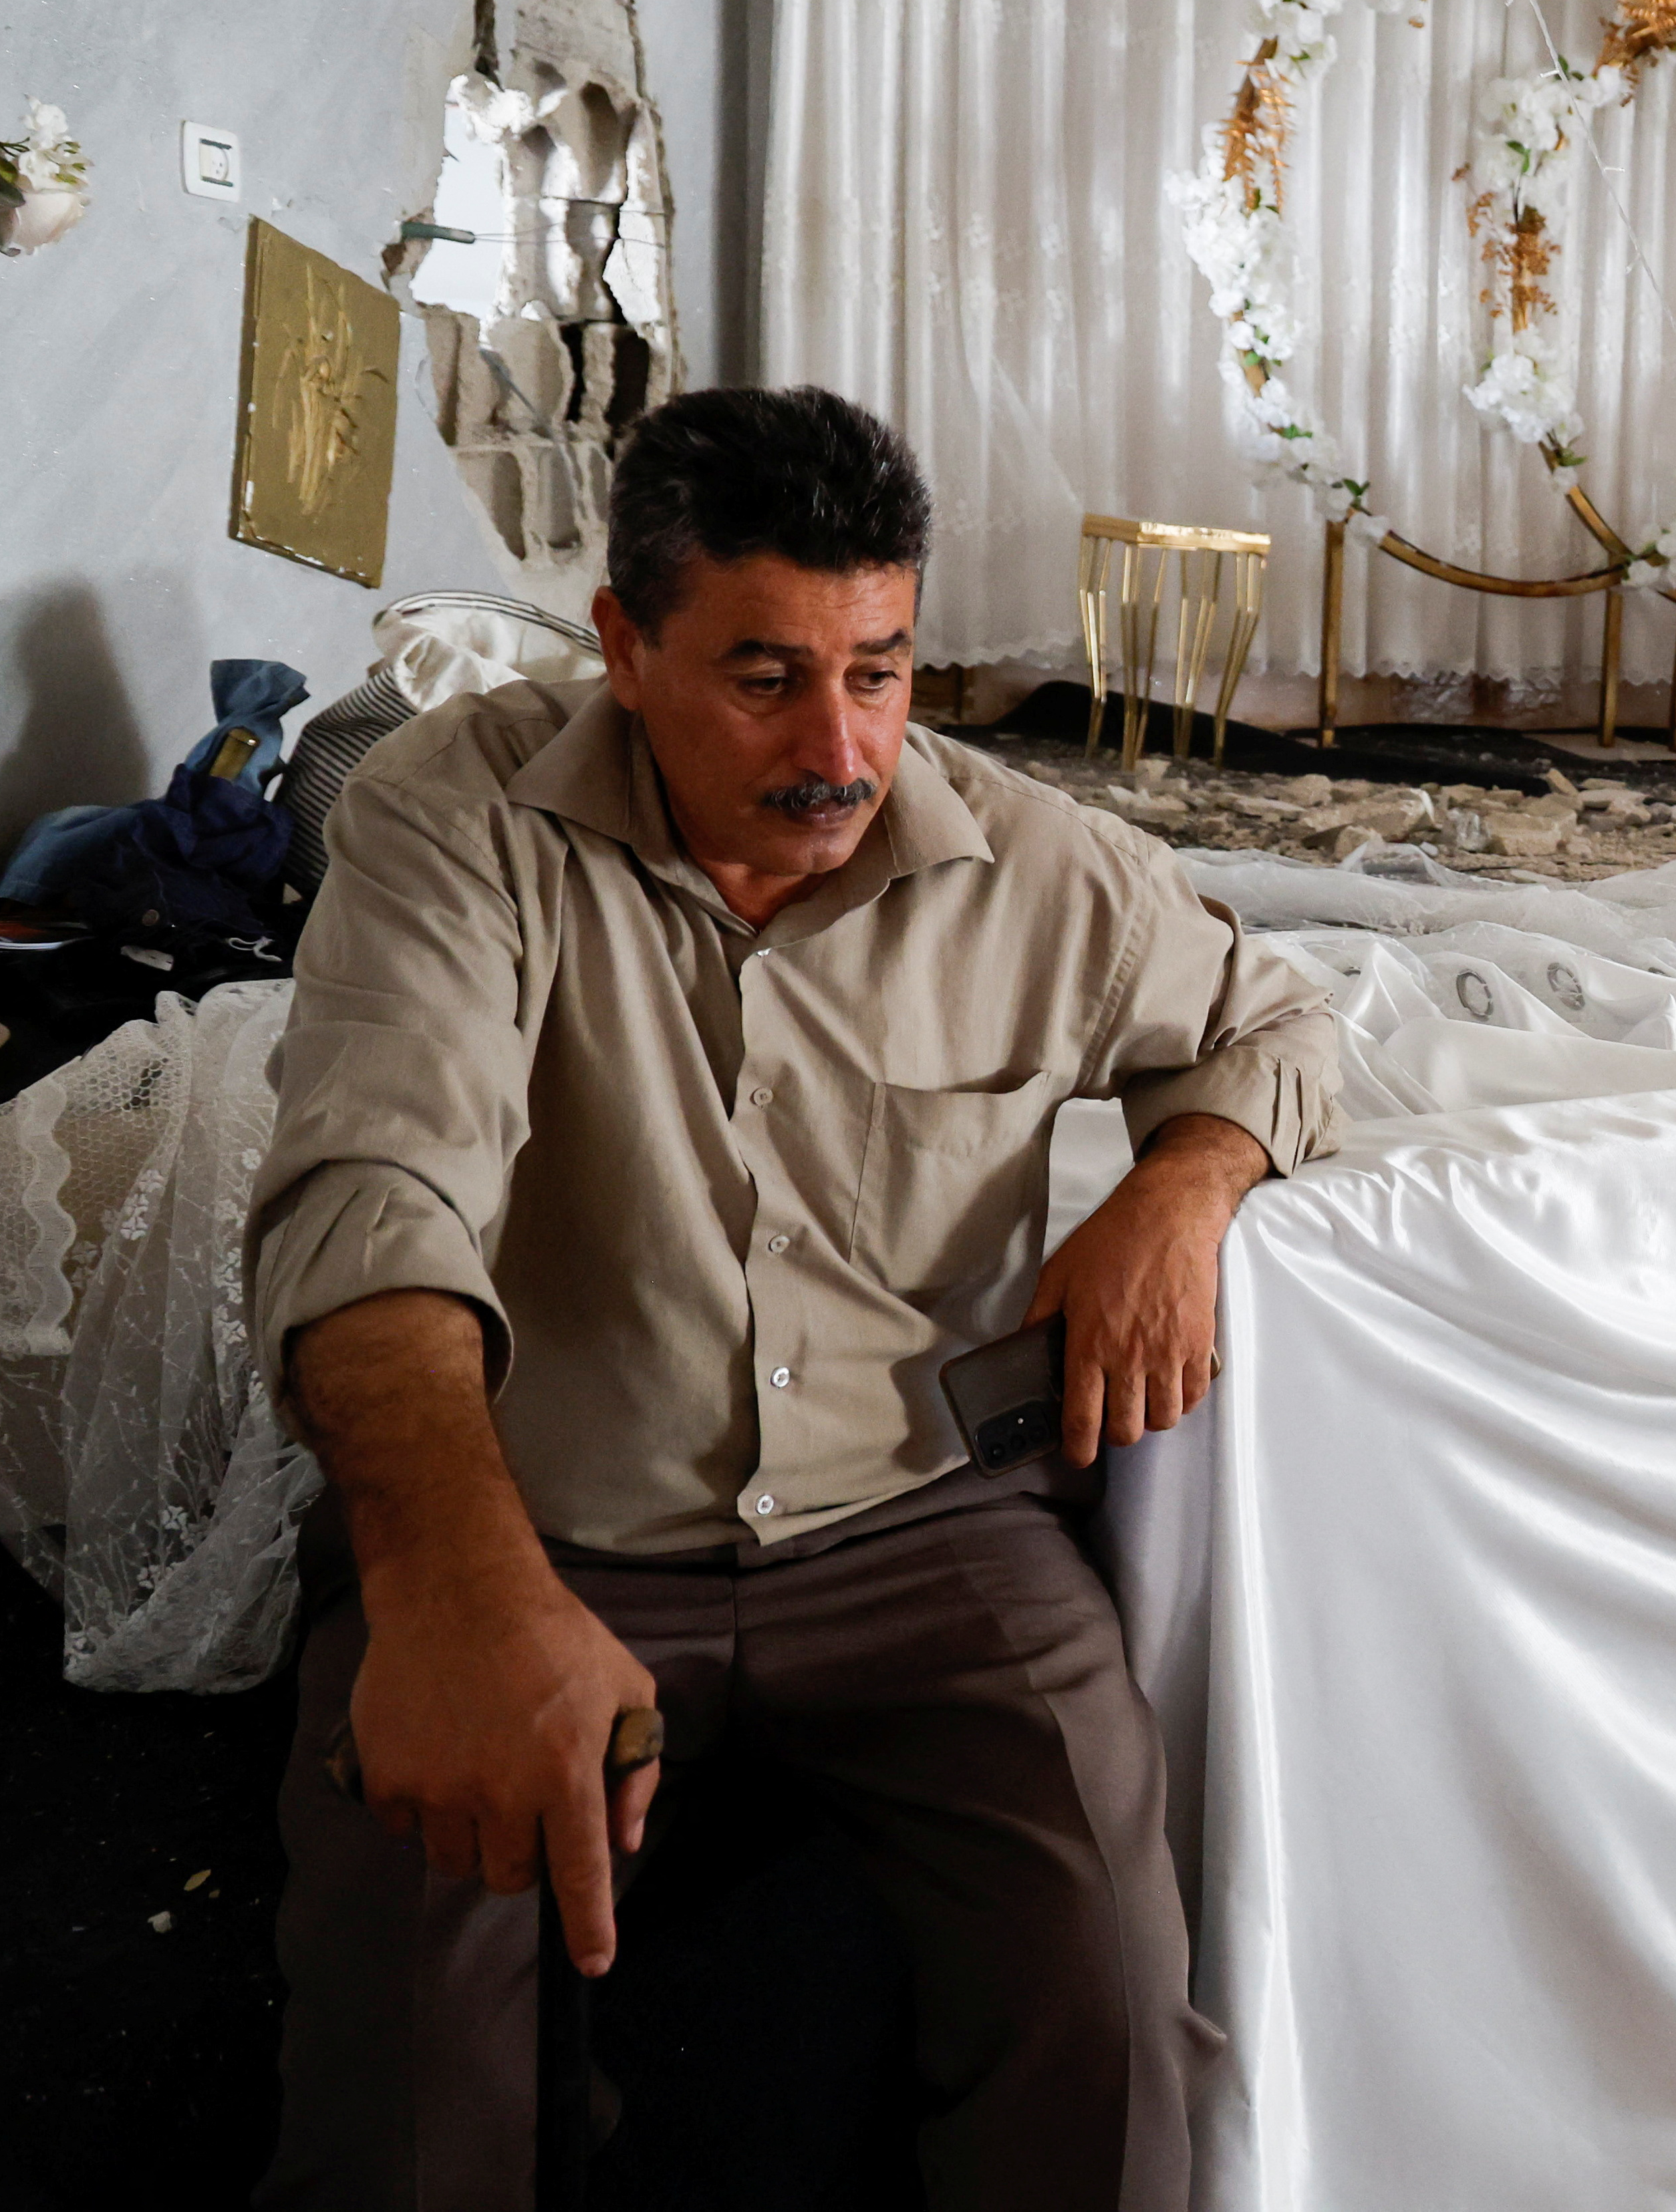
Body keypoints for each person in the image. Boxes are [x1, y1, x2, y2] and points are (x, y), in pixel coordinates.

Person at [245, 385, 1337, 2209]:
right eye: (765, 677)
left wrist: (1188, 1176)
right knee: (406, 2051)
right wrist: (450, 1584)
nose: (843, 747)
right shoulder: (459, 821)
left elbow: (1278, 1020)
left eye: (884, 672)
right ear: (623, 646)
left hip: (926, 1524)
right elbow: (373, 1192)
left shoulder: (1031, 864)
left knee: (1120, 2008)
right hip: (545, 1520)